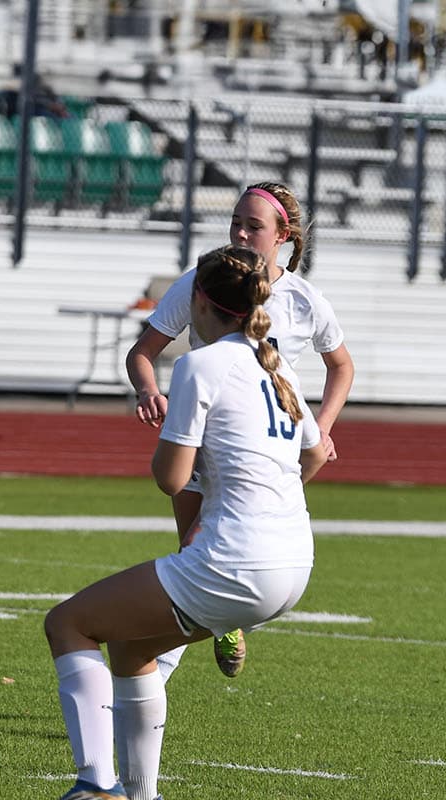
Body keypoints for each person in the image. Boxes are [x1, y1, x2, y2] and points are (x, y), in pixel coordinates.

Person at [47, 245, 330, 800]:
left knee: (67, 624)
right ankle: (139, 796)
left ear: (201, 302)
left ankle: (94, 785)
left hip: (235, 563)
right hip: (295, 562)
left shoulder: (201, 364)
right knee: (132, 650)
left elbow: (170, 480)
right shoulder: (281, 368)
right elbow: (316, 454)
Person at [124, 181, 354, 679]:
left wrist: (324, 427)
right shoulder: (202, 281)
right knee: (192, 556)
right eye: (235, 223)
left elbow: (341, 366)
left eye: (254, 226)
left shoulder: (304, 301)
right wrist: (148, 391)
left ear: (283, 236)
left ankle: (145, 686)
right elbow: (143, 353)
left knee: (200, 563)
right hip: (201, 441)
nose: (241, 233)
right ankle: (169, 669)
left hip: (260, 446)